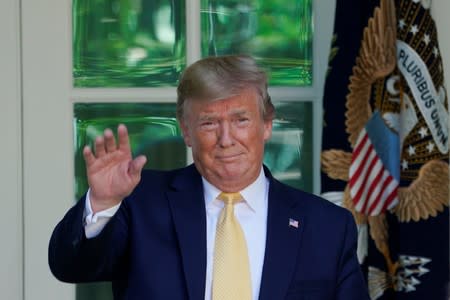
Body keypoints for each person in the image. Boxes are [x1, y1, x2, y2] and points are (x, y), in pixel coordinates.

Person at [49, 55, 370, 300]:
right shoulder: (139, 204)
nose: (226, 139)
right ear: (186, 130)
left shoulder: (327, 226)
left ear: (267, 124)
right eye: (208, 123)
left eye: (241, 120)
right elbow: (70, 266)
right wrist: (104, 202)